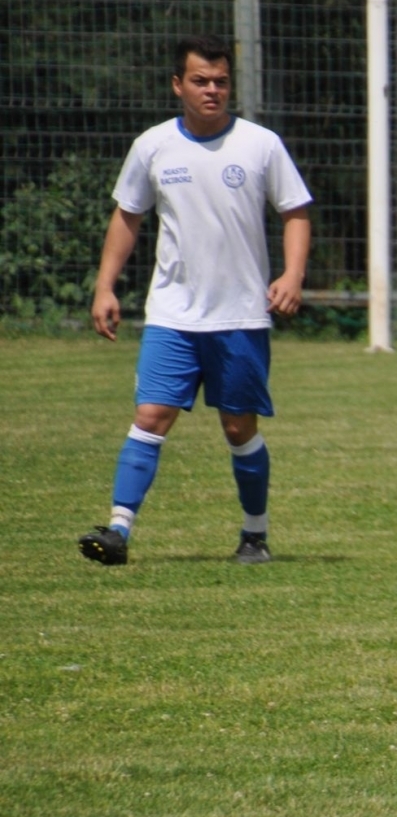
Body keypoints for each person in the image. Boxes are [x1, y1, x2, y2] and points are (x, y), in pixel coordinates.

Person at [77, 34, 312, 567]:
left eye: (221, 82)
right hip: (172, 315)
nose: (212, 91)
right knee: (151, 415)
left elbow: (295, 210)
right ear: (178, 85)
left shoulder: (260, 144)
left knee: (238, 427)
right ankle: (117, 530)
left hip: (240, 315)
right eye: (201, 81)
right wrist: (105, 285)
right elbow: (128, 216)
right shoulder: (154, 145)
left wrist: (292, 274)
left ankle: (255, 535)